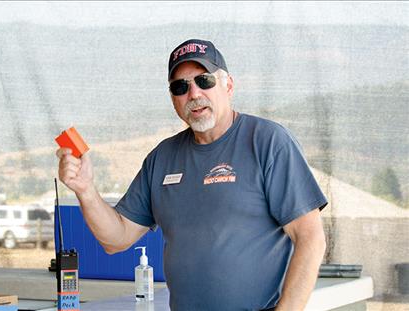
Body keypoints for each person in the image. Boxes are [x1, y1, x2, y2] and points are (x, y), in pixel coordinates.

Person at [57, 39, 327, 311]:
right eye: (180, 87)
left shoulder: (267, 142)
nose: (194, 93)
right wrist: (85, 190)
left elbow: (310, 237)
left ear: (229, 85)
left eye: (204, 80)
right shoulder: (162, 158)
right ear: (173, 98)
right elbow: (116, 239)